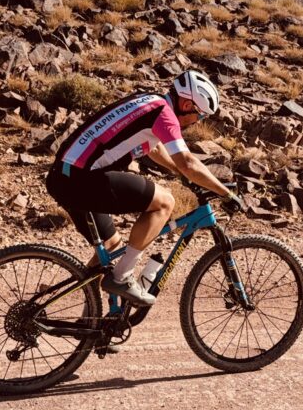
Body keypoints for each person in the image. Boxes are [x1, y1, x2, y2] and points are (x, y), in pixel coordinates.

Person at [45, 70, 243, 308]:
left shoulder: (149, 101)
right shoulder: (164, 114)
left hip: (64, 176)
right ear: (187, 103)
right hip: (81, 178)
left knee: (111, 249)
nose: (196, 122)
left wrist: (183, 176)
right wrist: (226, 193)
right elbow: (188, 162)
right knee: (164, 202)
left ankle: (86, 322)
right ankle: (122, 278)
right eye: (199, 116)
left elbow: (154, 148)